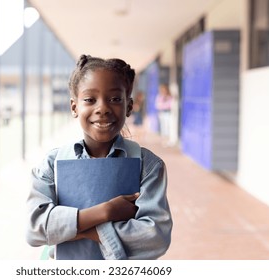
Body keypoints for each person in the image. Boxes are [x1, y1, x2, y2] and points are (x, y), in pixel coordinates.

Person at [26, 55, 172, 260]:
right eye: (89, 100)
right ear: (74, 107)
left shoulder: (147, 166)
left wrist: (80, 230)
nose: (102, 108)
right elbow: (35, 228)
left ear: (129, 106)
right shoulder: (53, 164)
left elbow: (155, 237)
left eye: (114, 99)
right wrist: (106, 211)